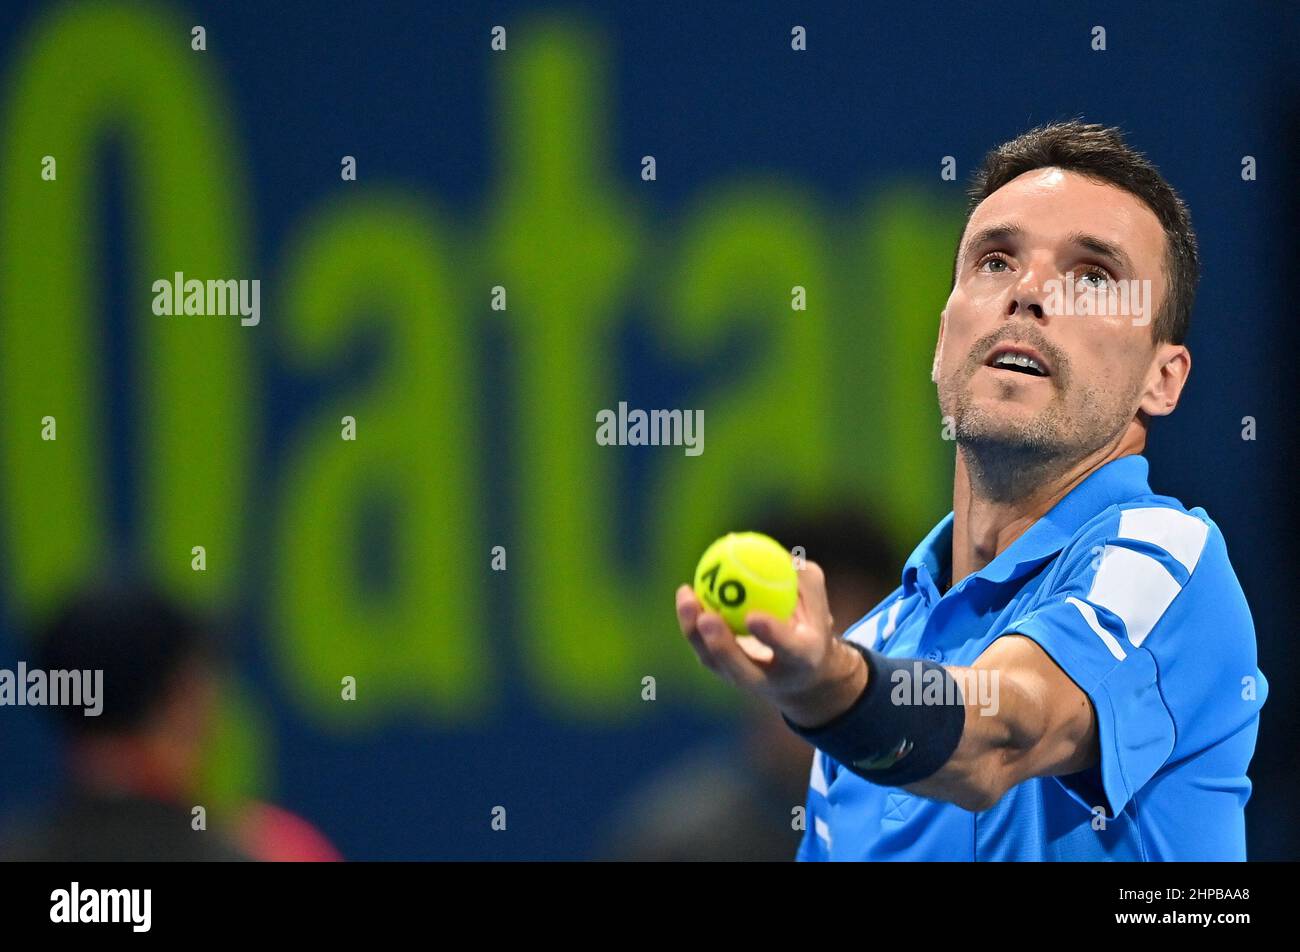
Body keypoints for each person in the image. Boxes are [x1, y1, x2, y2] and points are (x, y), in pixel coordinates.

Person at [674, 121, 1268, 861]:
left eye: (1092, 277)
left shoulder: (1169, 563)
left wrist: (831, 692)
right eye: (994, 261)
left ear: (1163, 377)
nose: (1027, 293)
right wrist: (838, 691)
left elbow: (1002, 730)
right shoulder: (870, 652)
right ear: (942, 337)